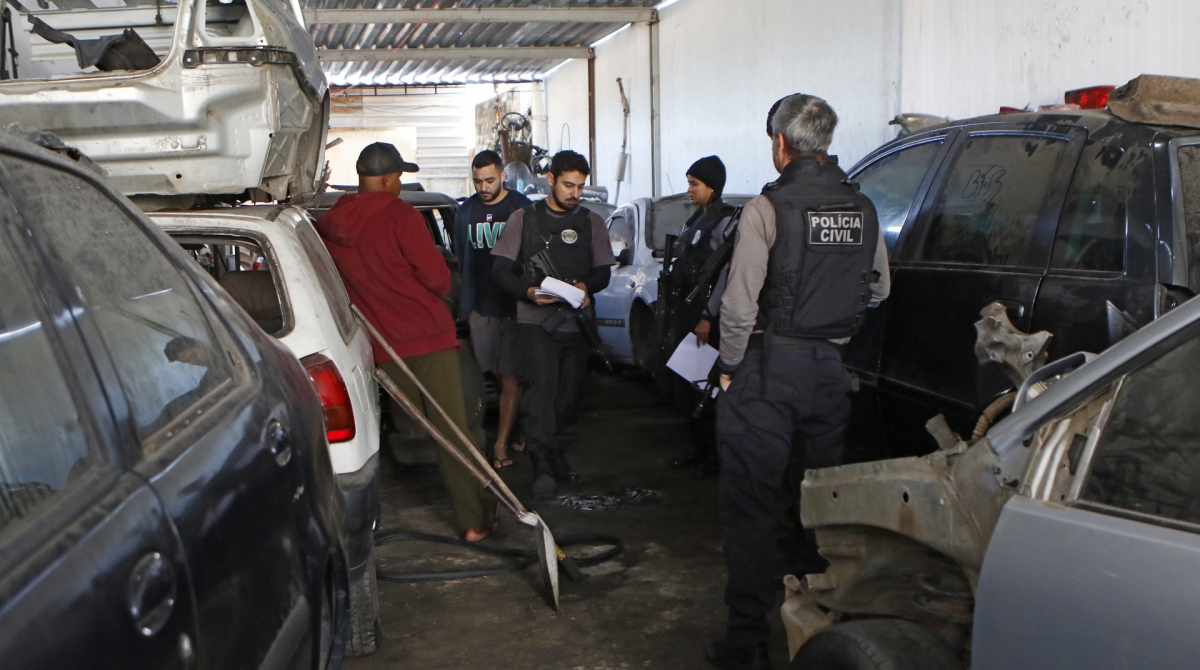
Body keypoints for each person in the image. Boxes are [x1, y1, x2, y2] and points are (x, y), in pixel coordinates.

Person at [704, 95, 891, 670]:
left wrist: (730, 366)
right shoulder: (862, 206)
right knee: (818, 509)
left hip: (766, 371)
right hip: (829, 376)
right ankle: (821, 640)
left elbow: (738, 307)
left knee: (753, 511)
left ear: (782, 144)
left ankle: (749, 649)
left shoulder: (768, 207)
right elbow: (880, 289)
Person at [317, 142, 497, 543]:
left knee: (403, 430)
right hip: (427, 337)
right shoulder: (400, 215)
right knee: (453, 430)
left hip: (380, 344)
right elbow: (436, 278)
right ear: (385, 178)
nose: (400, 183)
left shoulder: (328, 225)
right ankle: (473, 520)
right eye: (398, 176)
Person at [490, 150, 616, 497]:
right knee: (541, 395)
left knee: (569, 397)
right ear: (550, 180)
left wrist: (585, 287)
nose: (575, 193)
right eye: (568, 185)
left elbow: (603, 271)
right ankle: (541, 463)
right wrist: (528, 291)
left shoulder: (591, 222)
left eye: (580, 186)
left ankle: (559, 456)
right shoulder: (523, 220)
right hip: (535, 324)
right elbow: (499, 269)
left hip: (575, 324)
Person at [454, 150, 533, 471]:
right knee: (499, 375)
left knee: (511, 377)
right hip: (482, 306)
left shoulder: (520, 209)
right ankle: (519, 423)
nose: (483, 187)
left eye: (489, 180)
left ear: (502, 176)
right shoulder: (465, 212)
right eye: (477, 181)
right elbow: (463, 258)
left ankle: (500, 444)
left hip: (515, 305)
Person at [665, 155, 738, 477]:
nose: (689, 190)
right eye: (689, 183)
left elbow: (726, 275)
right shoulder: (697, 218)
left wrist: (708, 316)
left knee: (707, 387)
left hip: (707, 317)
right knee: (688, 384)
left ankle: (714, 456)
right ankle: (699, 449)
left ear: (712, 186)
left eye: (695, 184)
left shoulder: (725, 222)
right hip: (687, 310)